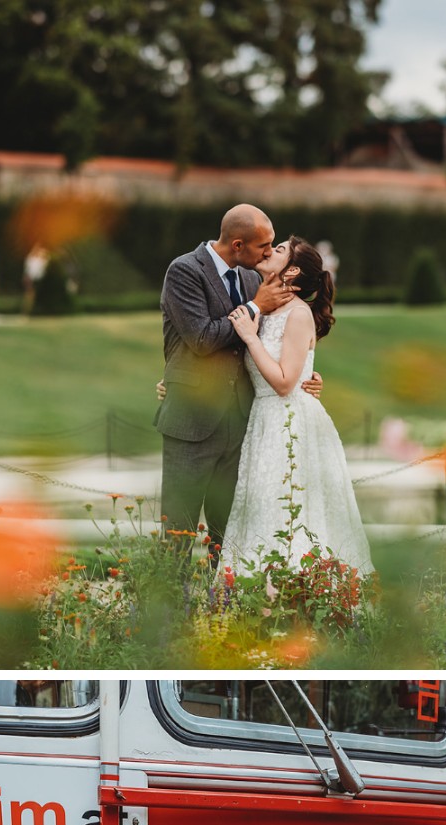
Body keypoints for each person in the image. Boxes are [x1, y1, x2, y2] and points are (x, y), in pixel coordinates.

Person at [156, 203, 318, 558]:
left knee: (228, 534)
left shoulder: (250, 278)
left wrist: (306, 375)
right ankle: (169, 611)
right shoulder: (184, 271)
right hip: (191, 422)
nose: (268, 252)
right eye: (264, 245)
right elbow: (200, 338)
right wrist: (256, 307)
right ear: (239, 245)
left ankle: (222, 608)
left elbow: (276, 339)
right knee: (178, 532)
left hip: (242, 424)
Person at [221, 236, 372, 576]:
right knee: (261, 509)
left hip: (289, 424)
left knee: (289, 510)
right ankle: (254, 598)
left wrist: (248, 336)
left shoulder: (299, 314)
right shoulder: (263, 306)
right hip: (264, 419)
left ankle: (295, 597)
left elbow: (287, 382)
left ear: (291, 272)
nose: (269, 250)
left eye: (279, 250)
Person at [22, 243, 50, 314]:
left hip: (39, 279)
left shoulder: (43, 260)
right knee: (30, 296)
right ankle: (27, 311)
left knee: (35, 296)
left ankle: (36, 310)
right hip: (31, 278)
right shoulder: (32, 259)